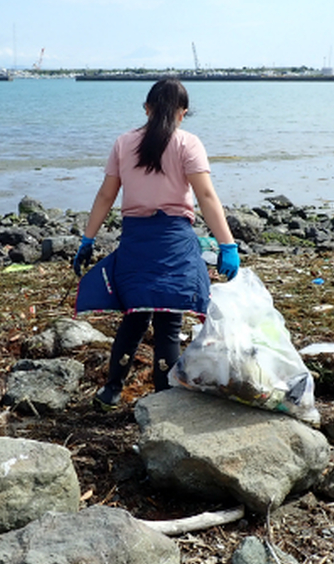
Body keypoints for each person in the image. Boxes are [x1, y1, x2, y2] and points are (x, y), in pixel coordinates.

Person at [74, 77, 239, 411]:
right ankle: (164, 397)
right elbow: (206, 196)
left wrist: (88, 239)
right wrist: (227, 245)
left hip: (136, 240)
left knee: (135, 316)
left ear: (147, 109)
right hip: (174, 240)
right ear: (182, 112)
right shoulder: (188, 143)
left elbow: (106, 195)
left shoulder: (124, 143)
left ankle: (112, 390)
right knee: (169, 322)